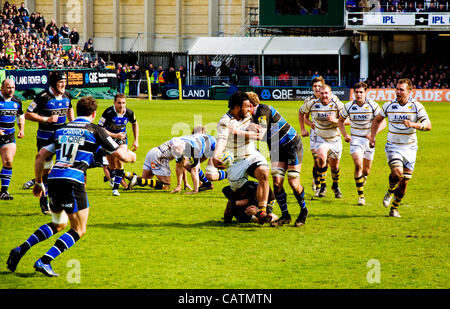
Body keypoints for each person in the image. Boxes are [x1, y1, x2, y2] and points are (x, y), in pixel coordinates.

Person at [6, 96, 136, 277]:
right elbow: (122, 156)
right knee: (79, 229)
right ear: (93, 113)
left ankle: (21, 248)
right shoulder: (95, 130)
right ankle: (44, 261)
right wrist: (132, 156)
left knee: (58, 224)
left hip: (54, 179)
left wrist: (38, 182)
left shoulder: (62, 129)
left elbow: (40, 156)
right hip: (72, 181)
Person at [369, 78, 431, 218]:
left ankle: (394, 208)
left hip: (410, 148)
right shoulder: (388, 105)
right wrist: (372, 137)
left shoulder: (417, 107)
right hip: (393, 146)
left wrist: (414, 125)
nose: (398, 92)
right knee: (397, 173)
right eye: (397, 89)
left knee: (404, 181)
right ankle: (390, 190)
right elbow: (377, 120)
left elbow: (428, 125)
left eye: (401, 89)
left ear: (409, 91)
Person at [245, 91, 308, 227]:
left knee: (293, 182)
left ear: (250, 105)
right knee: (277, 183)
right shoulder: (252, 117)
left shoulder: (263, 110)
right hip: (275, 149)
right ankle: (286, 216)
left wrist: (247, 128)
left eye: (244, 106)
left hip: (291, 145)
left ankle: (303, 211)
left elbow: (261, 132)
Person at [211, 91, 271, 224]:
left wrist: (248, 128)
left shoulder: (249, 115)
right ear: (237, 108)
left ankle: (262, 210)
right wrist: (215, 156)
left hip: (251, 155)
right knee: (241, 195)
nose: (250, 109)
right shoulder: (225, 122)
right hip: (235, 162)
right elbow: (222, 139)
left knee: (264, 173)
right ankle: (232, 205)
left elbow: (257, 131)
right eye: (246, 106)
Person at [23, 71, 74, 214]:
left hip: (62, 137)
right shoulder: (43, 97)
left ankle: (59, 199)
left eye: (64, 82)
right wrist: (46, 119)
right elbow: (28, 114)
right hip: (46, 137)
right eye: (60, 82)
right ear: (53, 83)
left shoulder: (67, 95)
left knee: (64, 167)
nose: (63, 85)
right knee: (47, 170)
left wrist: (73, 123)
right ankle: (44, 200)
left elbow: (70, 108)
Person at [338, 82, 386, 206]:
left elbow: (383, 123)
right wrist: (345, 135)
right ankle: (361, 196)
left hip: (369, 140)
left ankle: (363, 177)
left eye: (361, 92)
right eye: (356, 92)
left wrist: (373, 135)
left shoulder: (373, 105)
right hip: (355, 139)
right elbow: (340, 121)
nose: (358, 94)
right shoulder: (348, 106)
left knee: (366, 170)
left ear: (365, 93)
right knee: (358, 164)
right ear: (353, 93)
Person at [299, 84, 345, 199]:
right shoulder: (312, 104)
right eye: (322, 93)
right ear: (319, 93)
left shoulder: (337, 104)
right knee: (321, 157)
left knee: (334, 167)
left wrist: (335, 120)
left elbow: (347, 119)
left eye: (326, 93)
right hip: (320, 137)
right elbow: (301, 112)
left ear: (330, 94)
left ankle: (335, 185)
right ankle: (323, 186)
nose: (324, 95)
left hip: (335, 138)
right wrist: (303, 128)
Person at [98, 93, 139, 196]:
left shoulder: (129, 113)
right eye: (119, 103)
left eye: (123, 103)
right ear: (114, 103)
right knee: (111, 165)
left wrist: (136, 140)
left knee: (120, 160)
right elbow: (100, 129)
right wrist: (115, 135)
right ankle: (112, 174)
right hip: (108, 139)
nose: (121, 105)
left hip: (122, 138)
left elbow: (135, 124)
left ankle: (115, 189)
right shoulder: (108, 112)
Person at [0, 79, 25, 200]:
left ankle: (3, 191)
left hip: (9, 135)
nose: (11, 90)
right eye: (9, 87)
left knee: (8, 161)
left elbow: (20, 115)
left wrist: (22, 129)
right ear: (2, 88)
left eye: (13, 88)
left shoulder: (17, 101)